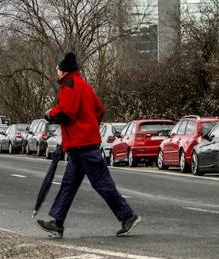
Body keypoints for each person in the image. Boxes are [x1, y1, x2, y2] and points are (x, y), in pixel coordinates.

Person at [36, 52, 141, 238]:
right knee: (69, 183)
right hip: (83, 143)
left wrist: (50, 114)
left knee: (101, 183)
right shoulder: (86, 86)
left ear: (64, 70)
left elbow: (66, 112)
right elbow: (99, 109)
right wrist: (91, 124)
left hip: (82, 144)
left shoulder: (69, 85)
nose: (57, 72)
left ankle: (128, 216)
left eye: (58, 69)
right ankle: (57, 222)